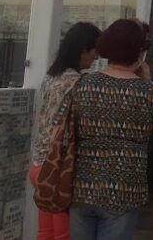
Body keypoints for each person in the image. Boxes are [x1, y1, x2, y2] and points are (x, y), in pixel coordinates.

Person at [67, 19, 153, 240]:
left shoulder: (83, 84)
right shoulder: (146, 91)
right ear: (139, 53)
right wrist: (149, 82)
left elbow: (64, 125)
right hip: (124, 189)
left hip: (81, 186)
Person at [30, 22, 101, 240]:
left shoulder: (51, 76)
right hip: (58, 168)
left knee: (45, 233)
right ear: (83, 50)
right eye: (94, 52)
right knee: (63, 235)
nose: (96, 58)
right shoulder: (76, 82)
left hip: (38, 165)